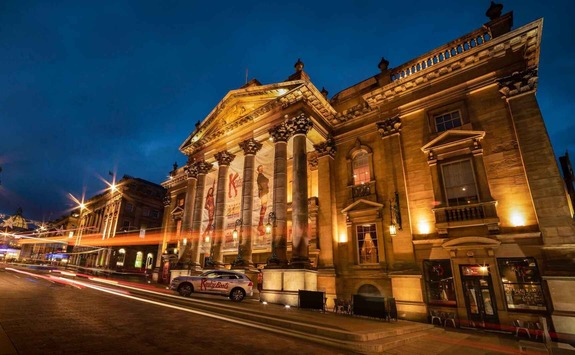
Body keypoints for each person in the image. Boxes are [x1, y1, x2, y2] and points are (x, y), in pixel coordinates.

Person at [256, 165, 269, 236]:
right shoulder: (260, 177)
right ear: (258, 169)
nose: (262, 169)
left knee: (264, 207)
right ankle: (260, 223)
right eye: (260, 168)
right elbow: (262, 184)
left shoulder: (261, 176)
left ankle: (260, 223)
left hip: (264, 192)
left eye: (262, 168)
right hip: (263, 192)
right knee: (264, 206)